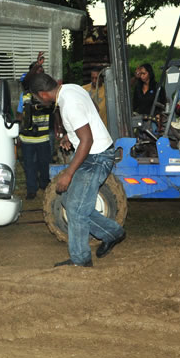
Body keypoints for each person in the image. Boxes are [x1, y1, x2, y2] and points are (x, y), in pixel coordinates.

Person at [28, 72, 126, 268]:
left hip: (96, 157)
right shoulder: (71, 88)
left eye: (37, 98)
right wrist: (71, 135)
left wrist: (68, 173)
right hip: (93, 154)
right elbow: (92, 109)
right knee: (68, 200)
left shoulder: (68, 105)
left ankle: (81, 260)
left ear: (43, 94)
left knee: (76, 210)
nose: (38, 102)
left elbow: (87, 140)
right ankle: (113, 233)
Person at [17, 67, 52, 199]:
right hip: (27, 138)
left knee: (44, 164)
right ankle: (31, 189)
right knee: (29, 165)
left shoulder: (45, 96)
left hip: (43, 137)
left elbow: (53, 110)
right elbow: (19, 114)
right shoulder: (24, 96)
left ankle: (44, 185)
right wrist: (17, 130)